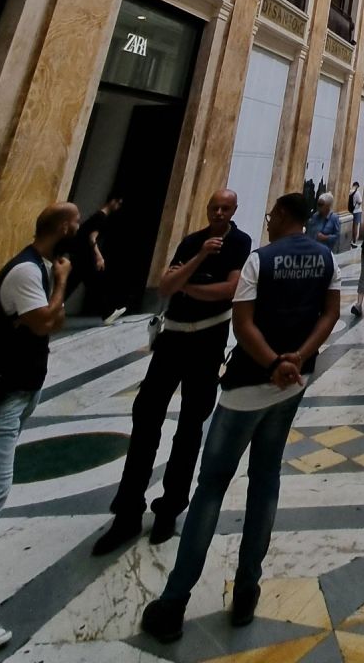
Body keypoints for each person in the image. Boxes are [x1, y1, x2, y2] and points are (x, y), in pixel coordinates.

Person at [140, 192, 340, 643]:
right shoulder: (326, 259)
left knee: (211, 486)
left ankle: (174, 601)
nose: (267, 221)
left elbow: (242, 323)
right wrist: (297, 361)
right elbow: (329, 315)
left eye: (272, 215)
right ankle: (248, 589)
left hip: (248, 385)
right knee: (266, 481)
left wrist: (271, 362)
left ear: (285, 216)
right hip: (292, 384)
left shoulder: (259, 259)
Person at [94, 190, 251, 555]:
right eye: (213, 206)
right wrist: (198, 259)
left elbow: (228, 290)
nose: (218, 212)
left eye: (225, 207)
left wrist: (187, 284)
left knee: (191, 426)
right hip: (172, 340)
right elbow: (165, 286)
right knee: (145, 419)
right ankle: (127, 512)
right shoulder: (192, 241)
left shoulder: (240, 243)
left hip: (207, 343)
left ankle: (170, 508)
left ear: (234, 211)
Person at [0, 203, 78, 651]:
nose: (80, 229)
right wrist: (60, 285)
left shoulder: (37, 268)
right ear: (61, 228)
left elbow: (51, 324)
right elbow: (44, 322)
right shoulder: (26, 272)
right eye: (75, 223)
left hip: (17, 391)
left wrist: (53, 301)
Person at [70, 194, 125, 323]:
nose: (118, 207)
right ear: (112, 201)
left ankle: (107, 313)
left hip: (81, 256)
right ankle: (107, 313)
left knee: (82, 284)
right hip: (85, 257)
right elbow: (92, 238)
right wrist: (99, 256)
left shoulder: (97, 216)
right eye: (118, 203)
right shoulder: (101, 217)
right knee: (93, 284)